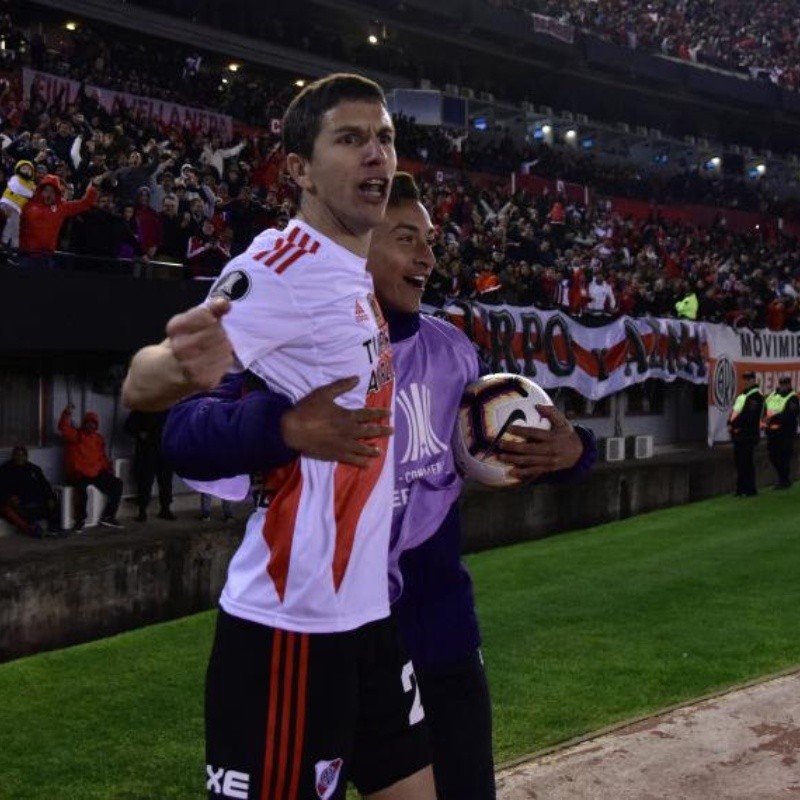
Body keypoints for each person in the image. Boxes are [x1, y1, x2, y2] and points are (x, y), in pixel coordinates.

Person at [141, 174, 598, 799]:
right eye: (406, 238)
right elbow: (186, 431)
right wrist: (283, 425)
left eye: (431, 242)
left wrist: (574, 451)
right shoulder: (300, 351)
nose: (428, 257)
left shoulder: (455, 353)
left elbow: (492, 444)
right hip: (323, 638)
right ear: (356, 245)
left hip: (437, 637)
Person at [123, 74, 435, 800]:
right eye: (350, 140)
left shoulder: (352, 275)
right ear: (298, 169)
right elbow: (142, 385)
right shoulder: (280, 266)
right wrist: (180, 368)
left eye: (384, 138)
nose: (376, 157)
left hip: (367, 619)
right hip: (291, 629)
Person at [57, 405, 124, 531]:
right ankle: (80, 520)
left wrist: (108, 468)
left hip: (95, 473)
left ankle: (108, 516)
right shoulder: (76, 435)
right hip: (78, 473)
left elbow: (102, 457)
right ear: (84, 423)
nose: (91, 425)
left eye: (94, 423)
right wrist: (66, 414)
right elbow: (63, 428)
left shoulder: (98, 438)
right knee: (82, 491)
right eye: (89, 423)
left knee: (117, 484)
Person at [0, 445, 61, 538]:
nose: (20, 457)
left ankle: (54, 528)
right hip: (18, 501)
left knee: (53, 502)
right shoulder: (5, 470)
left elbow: (45, 485)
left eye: (22, 455)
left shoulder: (34, 469)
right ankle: (34, 530)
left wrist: (50, 497)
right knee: (12, 508)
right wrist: (9, 497)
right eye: (17, 455)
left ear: (26, 456)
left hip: (34, 500)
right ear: (13, 456)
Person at [124, 410, 175, 522]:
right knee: (145, 481)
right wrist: (140, 433)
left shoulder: (168, 410)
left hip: (164, 450)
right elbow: (128, 427)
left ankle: (165, 509)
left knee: (166, 481)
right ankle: (142, 511)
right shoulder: (142, 408)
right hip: (147, 451)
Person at [727, 371, 765, 497]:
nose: (746, 381)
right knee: (739, 462)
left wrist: (734, 424)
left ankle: (750, 489)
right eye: (745, 379)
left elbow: (749, 416)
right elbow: (735, 411)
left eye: (749, 379)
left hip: (748, 434)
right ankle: (740, 489)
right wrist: (729, 422)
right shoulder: (742, 396)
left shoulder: (756, 397)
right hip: (739, 435)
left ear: (754, 380)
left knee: (747, 462)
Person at [762, 376, 799, 489]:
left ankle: (784, 480)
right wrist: (765, 419)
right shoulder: (773, 395)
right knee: (773, 456)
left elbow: (789, 416)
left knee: (783, 457)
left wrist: (772, 418)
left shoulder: (792, 398)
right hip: (772, 432)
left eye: (785, 384)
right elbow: (765, 407)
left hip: (785, 432)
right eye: (781, 383)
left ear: (789, 384)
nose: (782, 386)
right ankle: (782, 478)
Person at [0, 159, 35, 248]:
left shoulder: (31, 184)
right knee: (8, 223)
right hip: (7, 203)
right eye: (24, 168)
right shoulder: (15, 178)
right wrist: (29, 193)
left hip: (17, 208)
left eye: (29, 169)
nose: (26, 171)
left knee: (14, 227)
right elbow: (16, 188)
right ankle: (6, 242)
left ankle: (12, 247)